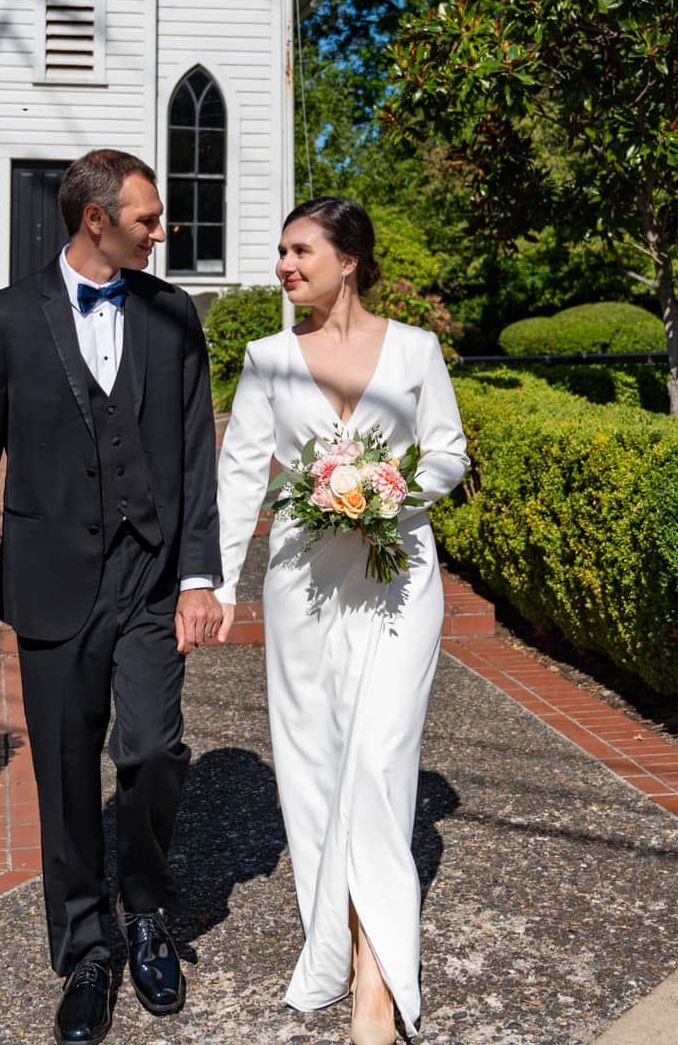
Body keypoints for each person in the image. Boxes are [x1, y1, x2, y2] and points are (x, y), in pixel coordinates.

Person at [0, 149, 233, 1044]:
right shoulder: (4, 320)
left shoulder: (174, 314)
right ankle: (86, 948)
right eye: (147, 217)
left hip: (148, 577)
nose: (162, 230)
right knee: (67, 778)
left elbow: (193, 456)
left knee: (150, 751)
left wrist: (197, 575)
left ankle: (145, 909)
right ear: (95, 219)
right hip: (51, 578)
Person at [214, 197, 469, 1044]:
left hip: (401, 583)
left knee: (382, 758)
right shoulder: (266, 357)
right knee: (317, 768)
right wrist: (216, 587)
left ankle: (375, 979)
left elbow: (448, 449)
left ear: (348, 260)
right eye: (281, 251)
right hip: (302, 589)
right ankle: (337, 941)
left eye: (299, 250)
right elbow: (243, 470)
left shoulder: (416, 349)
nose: (284, 266)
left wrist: (394, 491)